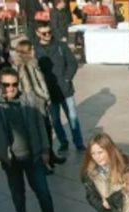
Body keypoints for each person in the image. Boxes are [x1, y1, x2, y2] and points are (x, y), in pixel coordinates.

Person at [0, 68, 66, 212]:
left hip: (33, 156)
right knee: (18, 194)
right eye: (6, 85)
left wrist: (45, 149)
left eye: (14, 84)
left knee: (44, 194)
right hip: (11, 160)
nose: (11, 88)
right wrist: (1, 154)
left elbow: (41, 125)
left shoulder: (29, 99)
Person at [15, 40, 66, 171]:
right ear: (26, 52)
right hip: (36, 103)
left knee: (47, 129)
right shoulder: (26, 67)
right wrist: (45, 97)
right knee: (41, 131)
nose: (34, 51)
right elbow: (32, 87)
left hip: (39, 101)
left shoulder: (32, 63)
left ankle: (50, 156)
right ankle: (44, 161)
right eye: (31, 49)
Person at [33, 21, 84, 153]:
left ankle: (78, 143)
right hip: (48, 91)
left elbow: (72, 63)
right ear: (37, 33)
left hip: (65, 89)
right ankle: (63, 142)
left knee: (72, 118)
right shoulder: (35, 50)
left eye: (49, 32)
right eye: (44, 33)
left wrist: (67, 78)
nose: (48, 35)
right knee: (55, 120)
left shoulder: (61, 46)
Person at [81, 133, 128, 212]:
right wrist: (102, 206)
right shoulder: (89, 173)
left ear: (109, 150)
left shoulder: (126, 165)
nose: (97, 157)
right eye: (93, 153)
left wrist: (111, 200)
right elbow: (91, 197)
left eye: (100, 152)